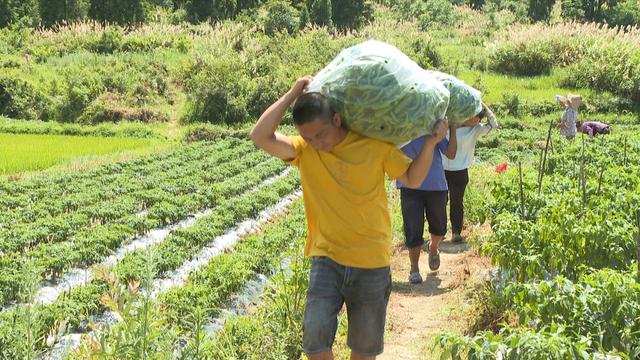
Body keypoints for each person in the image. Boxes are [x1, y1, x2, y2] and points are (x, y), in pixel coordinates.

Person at [250, 75, 448, 360]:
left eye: (320, 134)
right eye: (308, 137)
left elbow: (413, 178)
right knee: (315, 342)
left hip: (371, 261)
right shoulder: (303, 151)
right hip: (326, 258)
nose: (316, 143)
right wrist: (293, 93)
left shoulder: (373, 146)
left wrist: (430, 144)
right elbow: (259, 136)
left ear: (337, 120)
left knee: (364, 350)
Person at [396, 120, 458, 284]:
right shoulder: (398, 131)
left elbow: (451, 154)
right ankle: (414, 268)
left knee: (439, 228)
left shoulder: (430, 128)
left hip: (435, 185)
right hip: (409, 186)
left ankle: (433, 247)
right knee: (412, 229)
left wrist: (452, 128)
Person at [443, 103, 498, 243]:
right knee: (441, 201)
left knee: (457, 202)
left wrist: (484, 106)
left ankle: (456, 232)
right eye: (475, 118)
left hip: (460, 171)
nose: (476, 121)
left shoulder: (475, 130)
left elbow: (493, 123)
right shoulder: (448, 124)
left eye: (479, 119)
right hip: (442, 169)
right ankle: (440, 231)